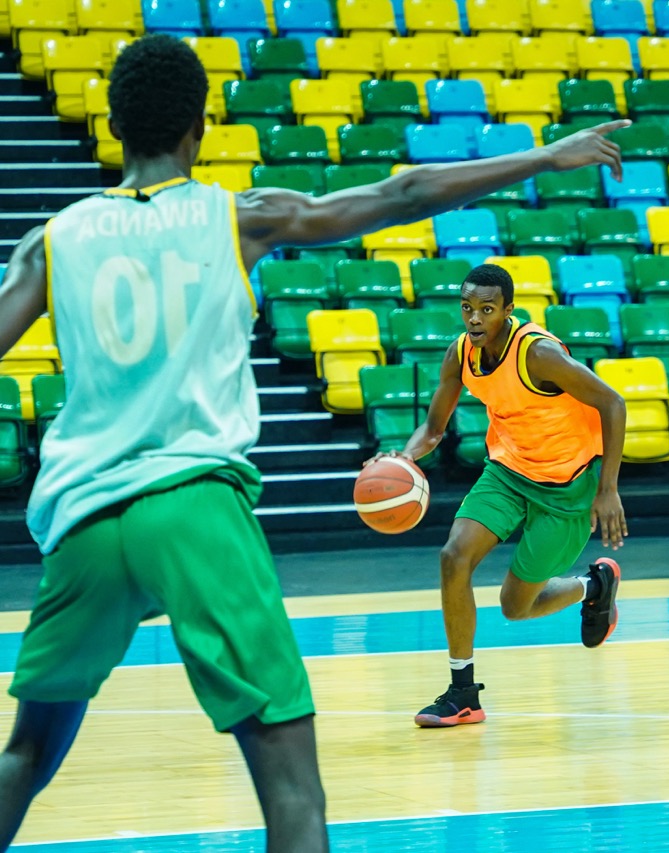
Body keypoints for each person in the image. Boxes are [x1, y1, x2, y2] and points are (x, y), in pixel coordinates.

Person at [0, 34, 628, 847]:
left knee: (25, 754)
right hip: (191, 508)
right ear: (199, 127)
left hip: (81, 517)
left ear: (114, 125)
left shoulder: (53, 241)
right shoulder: (239, 216)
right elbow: (405, 190)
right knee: (293, 789)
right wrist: (543, 156)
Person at [378, 263, 627, 729]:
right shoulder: (460, 354)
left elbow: (613, 402)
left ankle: (594, 586)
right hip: (508, 472)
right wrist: (406, 460)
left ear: (508, 311)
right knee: (454, 557)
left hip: (567, 487)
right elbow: (433, 428)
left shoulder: (539, 354)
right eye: (467, 308)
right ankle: (462, 694)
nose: (474, 319)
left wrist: (608, 489)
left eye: (486, 310)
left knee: (515, 607)